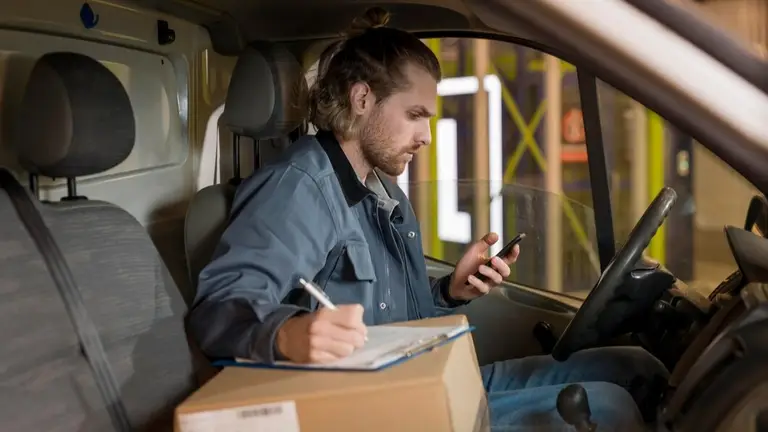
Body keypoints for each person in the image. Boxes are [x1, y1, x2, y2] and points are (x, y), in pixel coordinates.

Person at [188, 7, 668, 430]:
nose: (426, 136)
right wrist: (287, 334)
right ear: (362, 100)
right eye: (415, 115)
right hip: (379, 410)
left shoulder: (384, 191)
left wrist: (449, 293)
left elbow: (405, 325)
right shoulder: (298, 188)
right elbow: (218, 309)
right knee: (609, 408)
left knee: (634, 367)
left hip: (425, 374)